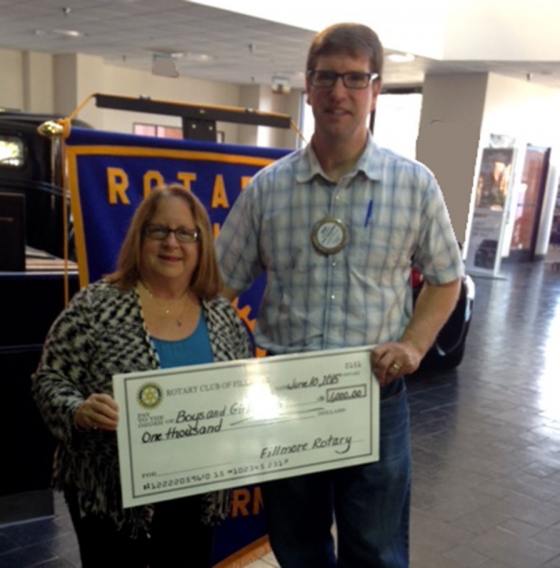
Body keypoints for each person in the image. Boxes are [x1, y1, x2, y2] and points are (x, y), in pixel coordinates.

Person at [215, 23, 463, 568]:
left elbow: (447, 278)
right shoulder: (267, 189)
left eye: (355, 78)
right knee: (296, 546)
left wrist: (415, 345)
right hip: (287, 399)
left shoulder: (415, 185)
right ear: (307, 85)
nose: (339, 92)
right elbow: (217, 285)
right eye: (326, 77)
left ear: (376, 90)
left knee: (375, 551)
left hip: (374, 398)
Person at [32, 184, 253, 568]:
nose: (172, 242)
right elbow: (49, 380)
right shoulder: (95, 306)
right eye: (159, 230)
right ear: (140, 237)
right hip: (109, 493)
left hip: (197, 495)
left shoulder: (222, 317)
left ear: (201, 245)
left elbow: (244, 395)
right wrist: (78, 410)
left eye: (186, 233)